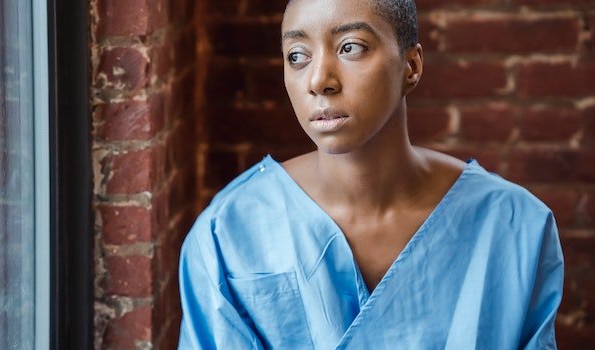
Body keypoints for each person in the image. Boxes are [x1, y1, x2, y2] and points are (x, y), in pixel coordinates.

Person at [177, 0, 564, 349]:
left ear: (411, 66)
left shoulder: (515, 227)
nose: (319, 80)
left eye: (351, 48)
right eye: (297, 56)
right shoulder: (228, 232)